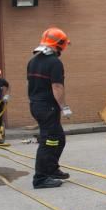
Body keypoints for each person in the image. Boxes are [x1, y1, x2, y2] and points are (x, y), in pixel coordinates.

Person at [27, 27, 71, 188]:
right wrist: (64, 107)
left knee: (59, 138)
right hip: (48, 107)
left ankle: (52, 169)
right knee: (49, 141)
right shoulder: (54, 62)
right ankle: (40, 178)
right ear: (59, 45)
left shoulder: (33, 61)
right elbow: (57, 87)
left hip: (37, 105)